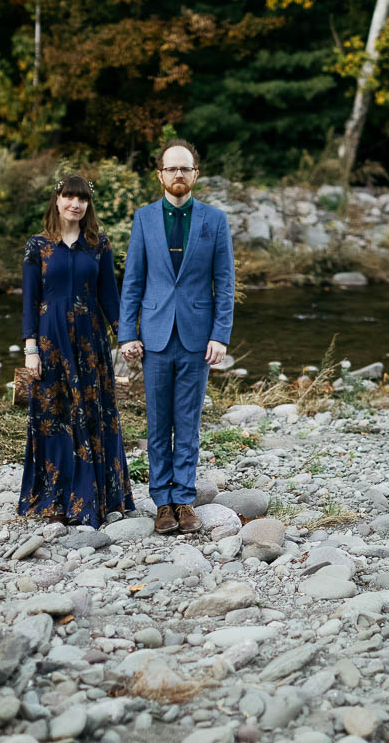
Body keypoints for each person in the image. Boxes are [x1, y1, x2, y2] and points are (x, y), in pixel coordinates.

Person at [118, 140, 234, 535]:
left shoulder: (214, 221)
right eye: (172, 169)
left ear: (195, 174)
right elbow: (133, 280)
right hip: (153, 337)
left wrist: (220, 335)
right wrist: (127, 333)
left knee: (187, 422)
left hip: (197, 337)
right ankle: (161, 503)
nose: (179, 175)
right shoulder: (144, 218)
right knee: (157, 422)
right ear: (161, 175)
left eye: (186, 169)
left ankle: (183, 500)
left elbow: (225, 281)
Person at [17, 176, 133, 527]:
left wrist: (126, 338)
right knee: (52, 418)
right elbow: (29, 301)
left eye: (81, 199)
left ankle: (94, 499)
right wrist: (30, 349)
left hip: (89, 344)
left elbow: (110, 298)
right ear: (57, 200)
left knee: (93, 415)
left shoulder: (99, 245)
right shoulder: (37, 246)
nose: (75, 204)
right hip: (50, 342)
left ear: (87, 205)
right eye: (69, 196)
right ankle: (52, 499)